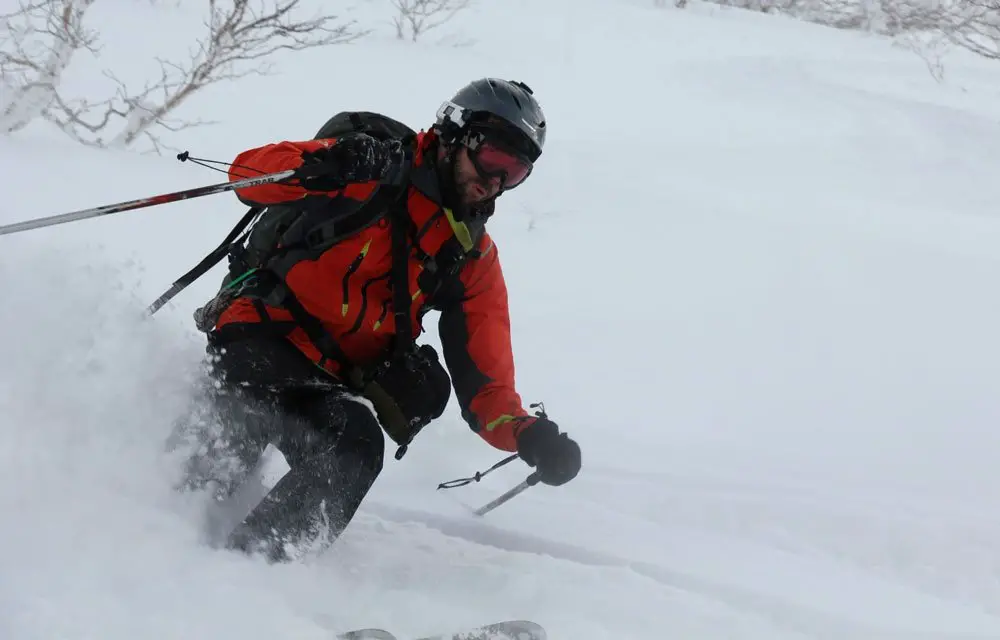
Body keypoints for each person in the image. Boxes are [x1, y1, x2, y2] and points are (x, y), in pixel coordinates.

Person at [180, 77, 582, 562]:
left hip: (325, 382)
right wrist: (324, 164)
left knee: (356, 447)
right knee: (216, 464)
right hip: (258, 335)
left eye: (514, 172)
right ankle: (156, 540)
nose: (495, 181)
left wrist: (528, 434)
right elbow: (247, 173)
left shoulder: (470, 256)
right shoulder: (372, 166)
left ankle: (251, 571)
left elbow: (487, 391)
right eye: (494, 160)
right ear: (458, 136)